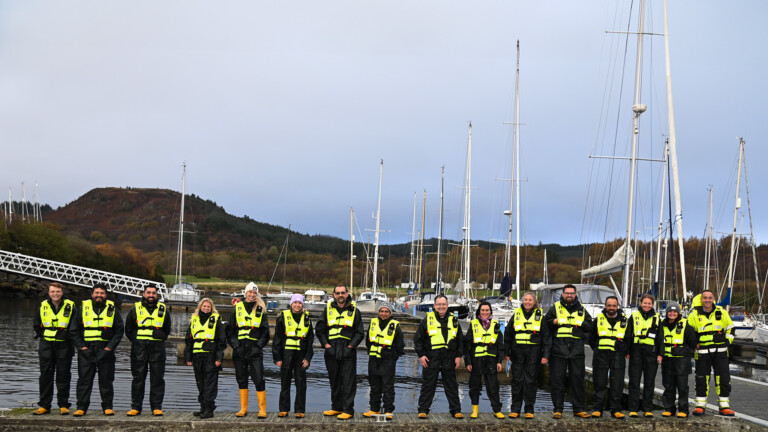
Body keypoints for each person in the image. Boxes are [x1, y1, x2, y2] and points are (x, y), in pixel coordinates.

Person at [70, 283, 124, 416]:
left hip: (105, 350)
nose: (99, 295)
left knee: (106, 380)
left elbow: (119, 331)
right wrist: (81, 347)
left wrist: (109, 347)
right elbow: (74, 330)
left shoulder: (113, 310)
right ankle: (81, 407)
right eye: (97, 293)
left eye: (102, 293)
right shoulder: (82, 309)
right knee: (84, 380)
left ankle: (107, 407)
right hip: (86, 349)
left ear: (106, 295)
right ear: (92, 294)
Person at [315, 284, 364, 420]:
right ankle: (336, 407)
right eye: (338, 293)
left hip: (347, 349)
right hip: (331, 349)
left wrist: (351, 347)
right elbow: (319, 329)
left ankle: (348, 410)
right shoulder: (327, 310)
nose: (341, 295)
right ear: (334, 295)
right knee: (334, 380)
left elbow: (359, 333)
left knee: (348, 381)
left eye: (343, 293)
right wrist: (326, 345)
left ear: (347, 294)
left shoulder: (355, 311)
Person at [543, 284, 593, 419]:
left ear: (575, 294)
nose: (569, 295)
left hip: (576, 351)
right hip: (558, 350)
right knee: (557, 381)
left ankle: (579, 409)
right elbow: (545, 324)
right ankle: (558, 410)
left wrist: (581, 324)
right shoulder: (555, 308)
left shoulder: (582, 310)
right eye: (567, 293)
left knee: (577, 381)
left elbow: (590, 327)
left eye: (572, 293)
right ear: (563, 294)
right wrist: (554, 321)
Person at [414, 294, 465, 419]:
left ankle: (455, 410)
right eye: (439, 304)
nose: (441, 307)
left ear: (447, 306)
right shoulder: (427, 319)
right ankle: (423, 410)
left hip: (449, 357)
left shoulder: (454, 320)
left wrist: (458, 356)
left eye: (444, 304)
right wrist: (421, 356)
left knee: (452, 386)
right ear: (435, 306)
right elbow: (418, 340)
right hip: (431, 358)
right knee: (428, 385)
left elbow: (460, 341)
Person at [125, 284, 171, 416]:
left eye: (153, 293)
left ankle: (156, 407)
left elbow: (167, 329)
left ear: (157, 295)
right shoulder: (135, 309)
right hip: (139, 348)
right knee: (138, 379)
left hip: (157, 349)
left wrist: (160, 336)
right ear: (144, 294)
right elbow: (128, 329)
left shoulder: (163, 309)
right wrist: (137, 340)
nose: (151, 295)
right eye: (148, 293)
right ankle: (136, 407)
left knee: (157, 379)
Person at [688, 290, 735, 416]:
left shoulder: (722, 312)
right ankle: (700, 405)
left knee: (723, 379)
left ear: (713, 298)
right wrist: (694, 344)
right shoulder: (694, 315)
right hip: (702, 351)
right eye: (705, 298)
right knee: (701, 378)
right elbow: (689, 332)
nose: (707, 300)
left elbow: (731, 328)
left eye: (710, 297)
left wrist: (727, 341)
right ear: (701, 299)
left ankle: (724, 406)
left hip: (720, 351)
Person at [32, 282, 77, 415]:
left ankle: (63, 405)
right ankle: (44, 405)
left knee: (63, 375)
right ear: (49, 293)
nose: (55, 294)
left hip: (64, 344)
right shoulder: (43, 306)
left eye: (57, 291)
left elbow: (75, 325)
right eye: (52, 292)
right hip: (46, 344)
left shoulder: (71, 306)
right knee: (45, 375)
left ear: (62, 292)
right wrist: (43, 336)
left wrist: (66, 337)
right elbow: (36, 324)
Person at [227, 283, 270, 418]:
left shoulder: (260, 309)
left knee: (258, 378)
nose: (252, 295)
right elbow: (230, 330)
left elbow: (265, 331)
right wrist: (235, 345)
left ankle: (262, 409)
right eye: (250, 292)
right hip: (240, 349)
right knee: (241, 378)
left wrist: (259, 345)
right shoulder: (237, 308)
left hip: (254, 349)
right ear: (245, 293)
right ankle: (243, 408)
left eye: (254, 293)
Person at [504, 291, 548, 419]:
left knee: (530, 381)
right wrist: (507, 352)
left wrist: (545, 355)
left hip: (534, 352)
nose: (527, 302)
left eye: (530, 300)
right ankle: (515, 409)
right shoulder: (516, 314)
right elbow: (508, 334)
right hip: (517, 352)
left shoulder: (540, 316)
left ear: (534, 302)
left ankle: (529, 409)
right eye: (525, 300)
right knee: (517, 381)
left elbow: (546, 337)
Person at [272, 294, 314, 418]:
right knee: (285, 383)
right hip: (286, 354)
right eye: (295, 303)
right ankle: (284, 409)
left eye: (300, 303)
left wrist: (308, 358)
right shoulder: (282, 317)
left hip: (301, 354)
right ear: (291, 304)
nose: (297, 305)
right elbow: (277, 338)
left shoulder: (307, 318)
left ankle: (299, 410)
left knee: (301, 383)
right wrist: (277, 358)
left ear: (302, 305)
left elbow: (310, 340)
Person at [184, 298, 226, 419]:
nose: (206, 308)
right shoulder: (194, 320)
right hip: (197, 355)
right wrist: (188, 357)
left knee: (210, 384)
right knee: (200, 383)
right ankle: (203, 407)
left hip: (211, 355)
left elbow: (221, 340)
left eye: (208, 306)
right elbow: (189, 340)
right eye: (204, 306)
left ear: (212, 308)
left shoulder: (216, 320)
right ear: (200, 307)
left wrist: (219, 358)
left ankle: (209, 409)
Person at [588, 296, 628, 419]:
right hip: (601, 354)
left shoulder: (625, 320)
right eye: (609, 305)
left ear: (617, 307)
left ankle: (615, 409)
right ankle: (597, 409)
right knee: (599, 382)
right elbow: (591, 337)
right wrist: (597, 347)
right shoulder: (599, 319)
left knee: (617, 383)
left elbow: (629, 339)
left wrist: (623, 347)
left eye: (614, 305)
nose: (611, 308)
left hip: (618, 354)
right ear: (605, 306)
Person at [464, 301, 505, 419]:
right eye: (482, 310)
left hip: (491, 360)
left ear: (490, 311)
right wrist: (468, 362)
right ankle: (475, 410)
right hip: (476, 359)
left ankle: (497, 410)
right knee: (475, 386)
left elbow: (500, 345)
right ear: (479, 311)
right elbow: (467, 345)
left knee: (493, 386)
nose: (485, 312)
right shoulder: (473, 324)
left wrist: (499, 361)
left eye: (487, 310)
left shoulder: (496, 325)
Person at [363, 303, 404, 420]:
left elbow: (400, 346)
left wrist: (392, 356)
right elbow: (368, 341)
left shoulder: (395, 325)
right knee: (374, 385)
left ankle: (388, 410)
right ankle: (374, 409)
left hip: (388, 360)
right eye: (382, 311)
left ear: (390, 313)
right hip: (373, 359)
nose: (383, 314)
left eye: (386, 311)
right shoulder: (373, 322)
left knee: (388, 386)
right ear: (378, 312)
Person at [626, 294, 663, 417]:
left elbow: (660, 338)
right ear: (640, 303)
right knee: (634, 382)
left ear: (653, 305)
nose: (647, 305)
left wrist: (660, 354)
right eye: (645, 303)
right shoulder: (633, 316)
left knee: (649, 382)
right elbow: (628, 335)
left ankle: (647, 409)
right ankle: (633, 409)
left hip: (651, 352)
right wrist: (627, 351)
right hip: (636, 351)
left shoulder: (657, 318)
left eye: (649, 303)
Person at [660, 302, 696, 418]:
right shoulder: (662, 325)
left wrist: (685, 352)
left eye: (675, 311)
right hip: (667, 359)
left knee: (682, 386)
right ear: (667, 313)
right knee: (668, 385)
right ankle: (669, 409)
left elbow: (692, 342)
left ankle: (683, 410)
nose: (672, 313)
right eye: (670, 311)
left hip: (681, 360)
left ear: (678, 313)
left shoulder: (685, 324)